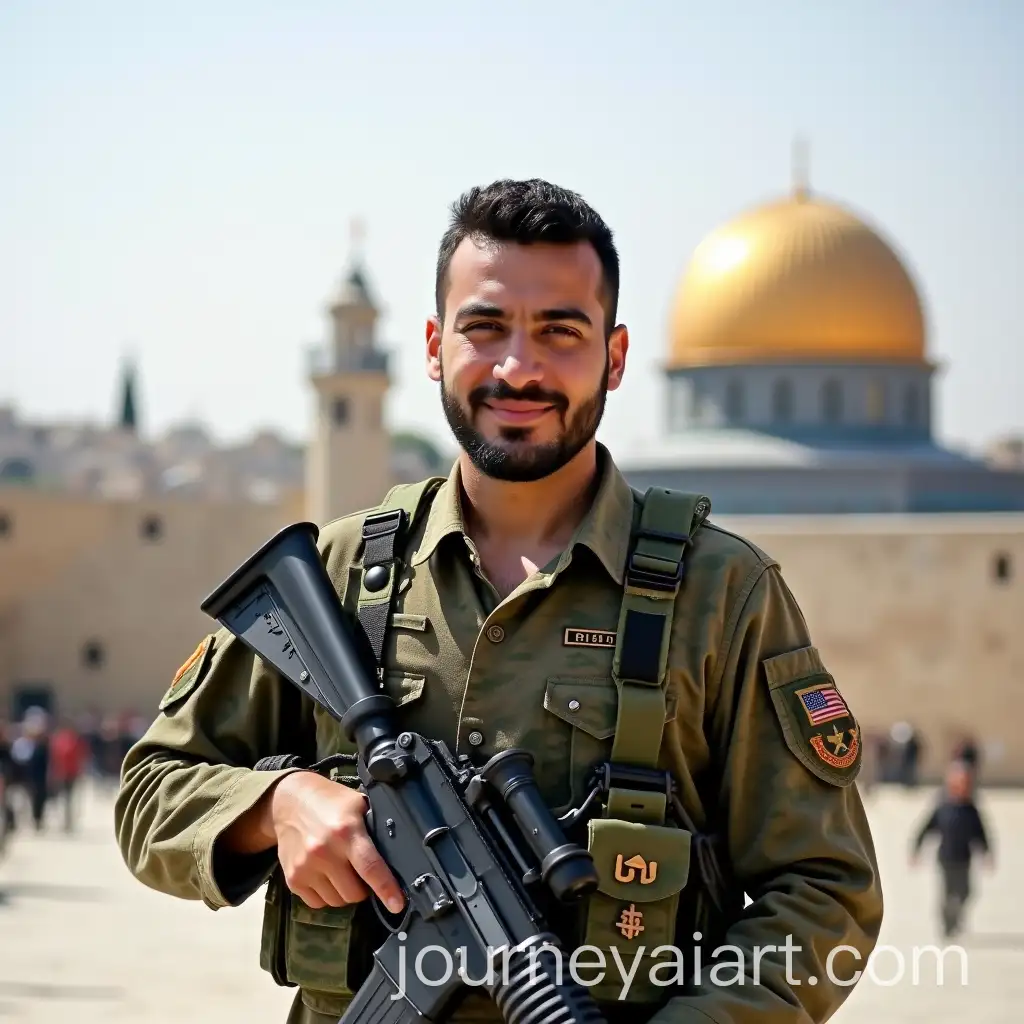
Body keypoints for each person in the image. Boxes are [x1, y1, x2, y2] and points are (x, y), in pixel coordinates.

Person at [115, 179, 882, 1024]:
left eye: (560, 331)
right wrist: (276, 806)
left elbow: (826, 893)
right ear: (434, 346)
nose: (518, 368)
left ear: (615, 357)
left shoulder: (722, 595)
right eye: (485, 328)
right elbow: (151, 791)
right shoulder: (341, 572)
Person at [911, 759, 992, 937]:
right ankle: (947, 924)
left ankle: (956, 917)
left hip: (964, 859)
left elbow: (981, 833)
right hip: (946, 859)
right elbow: (925, 829)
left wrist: (987, 853)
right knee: (948, 894)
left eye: (965, 783)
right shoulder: (942, 807)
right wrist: (916, 850)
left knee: (966, 892)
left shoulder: (971, 809)